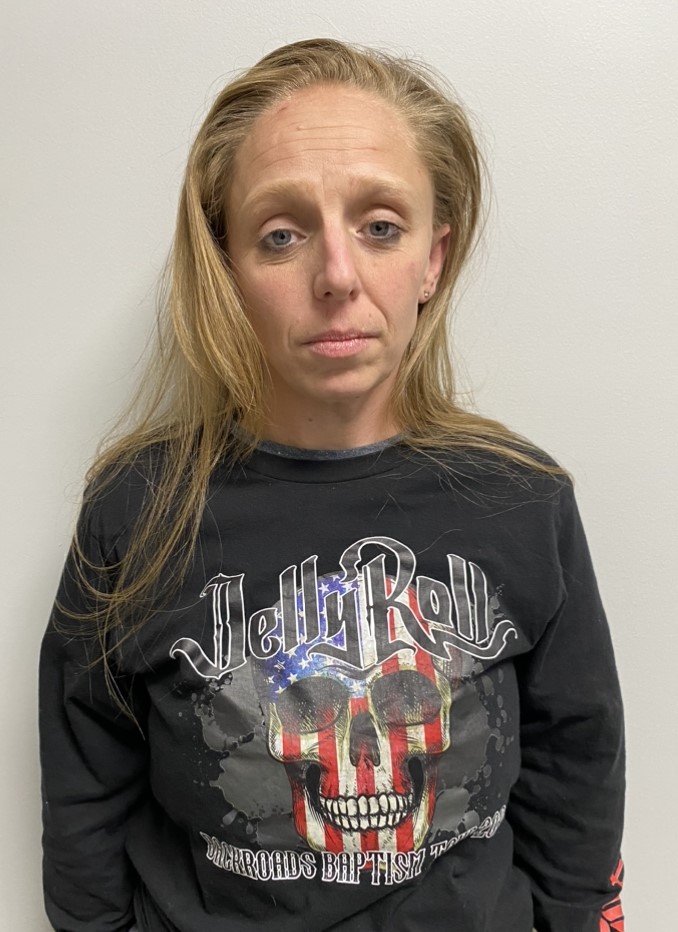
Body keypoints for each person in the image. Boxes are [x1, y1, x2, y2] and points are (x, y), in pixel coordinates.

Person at [39, 38, 625, 932]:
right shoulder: (138, 509)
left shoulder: (525, 500)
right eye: (281, 235)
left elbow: (577, 768)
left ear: (433, 259)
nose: (338, 277)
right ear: (227, 267)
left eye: (380, 227)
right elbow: (85, 790)